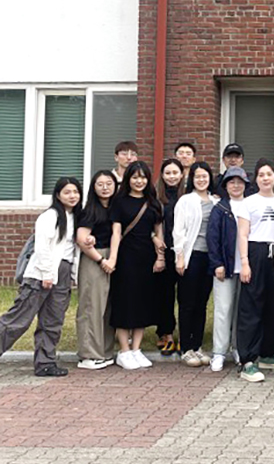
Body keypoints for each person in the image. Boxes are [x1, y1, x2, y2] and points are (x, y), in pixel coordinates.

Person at [0, 178, 83, 377]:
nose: (72, 196)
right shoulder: (50, 216)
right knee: (19, 319)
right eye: (67, 192)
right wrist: (47, 273)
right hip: (41, 274)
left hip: (63, 273)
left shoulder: (76, 217)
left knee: (53, 321)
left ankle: (45, 363)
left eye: (75, 192)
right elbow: (42, 247)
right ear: (58, 195)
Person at [108, 161, 164, 370]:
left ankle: (136, 349)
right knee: (125, 303)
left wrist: (160, 258)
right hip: (125, 259)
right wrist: (113, 258)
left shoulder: (153, 203)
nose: (139, 181)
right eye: (135, 177)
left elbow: (158, 233)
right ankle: (124, 351)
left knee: (142, 303)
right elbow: (116, 232)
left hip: (146, 259)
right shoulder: (119, 202)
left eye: (143, 177)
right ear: (128, 179)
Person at [235, 159, 274, 383]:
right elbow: (243, 234)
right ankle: (247, 360)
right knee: (251, 307)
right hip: (255, 253)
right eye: (261, 175)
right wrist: (245, 262)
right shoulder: (248, 202)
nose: (265, 178)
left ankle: (268, 352)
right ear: (256, 179)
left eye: (269, 174)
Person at [173, 161, 219, 367]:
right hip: (191, 256)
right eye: (197, 176)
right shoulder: (185, 201)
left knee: (202, 303)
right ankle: (186, 348)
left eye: (204, 176)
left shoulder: (216, 201)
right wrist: (180, 256)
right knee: (187, 303)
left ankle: (197, 346)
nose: (201, 180)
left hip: (210, 258)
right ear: (191, 178)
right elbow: (178, 230)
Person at [207, 166, 249, 372]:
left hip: (246, 268)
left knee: (242, 312)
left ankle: (239, 348)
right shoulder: (220, 208)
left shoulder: (251, 205)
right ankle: (219, 352)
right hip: (225, 267)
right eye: (232, 182)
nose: (236, 185)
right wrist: (217, 263)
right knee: (223, 310)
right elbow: (212, 238)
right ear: (226, 185)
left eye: (240, 182)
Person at [75, 170, 118, 370]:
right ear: (93, 187)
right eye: (100, 184)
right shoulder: (90, 211)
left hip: (112, 258)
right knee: (91, 307)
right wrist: (101, 260)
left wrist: (112, 259)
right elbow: (82, 240)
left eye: (109, 183)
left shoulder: (115, 208)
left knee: (107, 308)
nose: (105, 187)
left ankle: (105, 352)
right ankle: (89, 355)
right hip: (95, 259)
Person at [154, 158, 184, 356]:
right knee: (164, 295)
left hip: (183, 253)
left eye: (175, 173)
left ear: (182, 175)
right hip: (163, 251)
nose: (172, 176)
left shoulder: (188, 196)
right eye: (168, 173)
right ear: (162, 175)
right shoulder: (156, 198)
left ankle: (184, 335)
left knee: (184, 296)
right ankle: (166, 334)